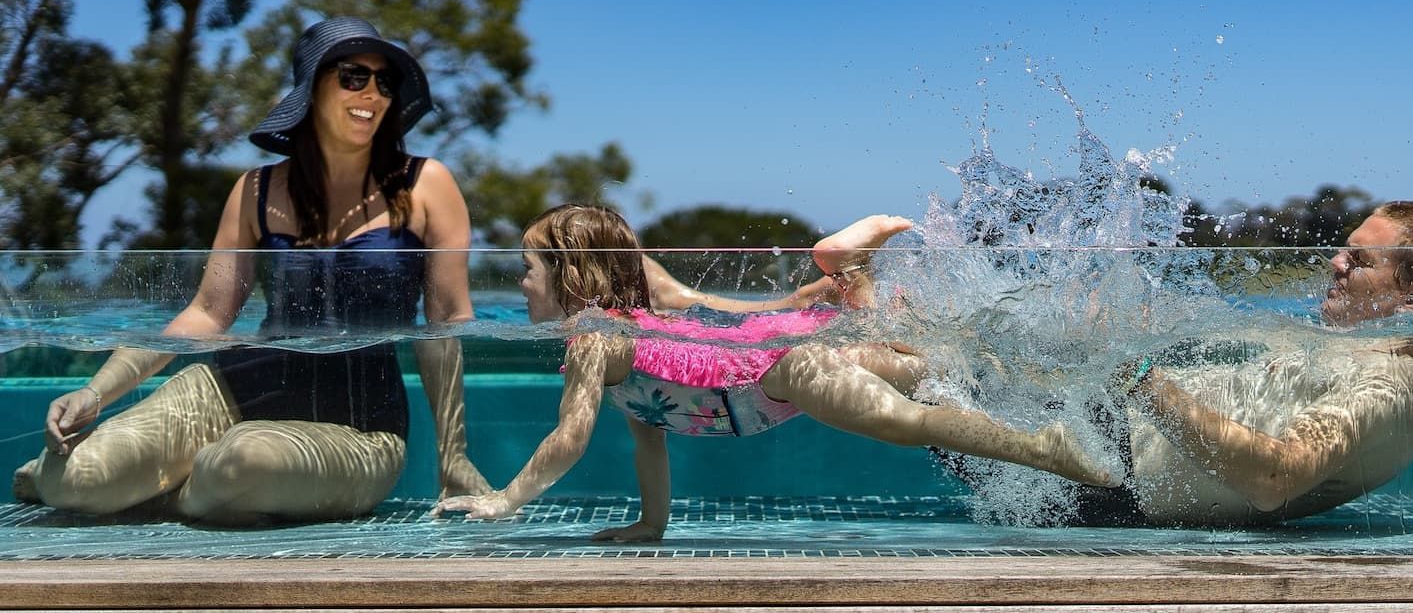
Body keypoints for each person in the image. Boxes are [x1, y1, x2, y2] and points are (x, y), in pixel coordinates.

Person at [11, 17, 489, 524]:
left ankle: (162, 489)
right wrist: (94, 392)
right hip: (232, 389)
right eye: (353, 76)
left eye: (384, 81)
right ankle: (80, 478)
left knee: (243, 459)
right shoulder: (255, 191)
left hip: (362, 429)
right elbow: (205, 314)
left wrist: (452, 454)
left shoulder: (427, 185)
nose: (371, 91)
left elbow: (447, 323)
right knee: (77, 480)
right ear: (312, 88)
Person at [431, 205, 1114, 539]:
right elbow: (647, 433)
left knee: (906, 423)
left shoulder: (591, 344)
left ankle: (1042, 447)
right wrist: (651, 524)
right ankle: (848, 268)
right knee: (919, 363)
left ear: (571, 276)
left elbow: (568, 440)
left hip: (776, 373)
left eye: (527, 268)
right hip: (777, 368)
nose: (518, 283)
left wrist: (505, 498)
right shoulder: (618, 339)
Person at [941, 200, 1413, 527]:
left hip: (1110, 470)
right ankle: (863, 296)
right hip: (1111, 433)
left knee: (924, 378)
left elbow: (1275, 476)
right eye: (1343, 250)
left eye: (1359, 260)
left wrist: (1138, 373)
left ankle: (861, 294)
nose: (1334, 263)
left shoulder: (1397, 383)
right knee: (940, 360)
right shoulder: (1359, 352)